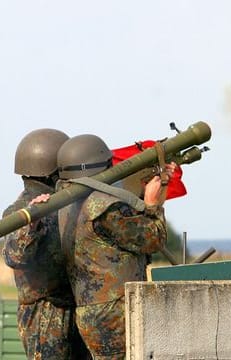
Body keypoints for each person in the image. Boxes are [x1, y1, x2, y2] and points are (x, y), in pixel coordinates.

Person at [56, 134, 172, 359]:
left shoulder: (67, 206)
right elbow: (153, 238)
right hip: (115, 314)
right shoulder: (105, 208)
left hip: (91, 310)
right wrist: (151, 204)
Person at [2, 128, 89, 359]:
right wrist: (32, 222)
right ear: (53, 172)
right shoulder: (19, 211)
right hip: (46, 313)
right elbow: (15, 256)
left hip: (73, 305)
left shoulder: (64, 203)